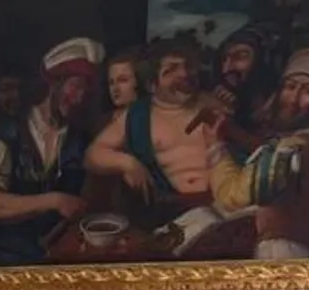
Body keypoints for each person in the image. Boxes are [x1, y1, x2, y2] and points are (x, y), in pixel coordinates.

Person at [203, 47, 309, 260]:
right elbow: (267, 150)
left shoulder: (292, 149)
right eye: (290, 87)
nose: (293, 99)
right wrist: (231, 130)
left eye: (308, 92)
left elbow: (232, 197)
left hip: (285, 252)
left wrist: (214, 146)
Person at [0, 37, 102, 266]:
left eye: (85, 92)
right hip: (3, 258)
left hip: (53, 257)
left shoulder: (80, 142)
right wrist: (54, 200)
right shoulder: (6, 133)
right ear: (55, 83)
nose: (78, 99)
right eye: (75, 87)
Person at [86, 38, 222, 208]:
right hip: (173, 210)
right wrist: (128, 163)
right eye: (170, 70)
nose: (184, 74)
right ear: (152, 85)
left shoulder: (211, 103)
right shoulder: (138, 115)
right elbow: (93, 155)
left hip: (223, 204)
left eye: (187, 66)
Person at [104, 47, 144, 116]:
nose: (115, 88)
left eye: (122, 80)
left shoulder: (152, 117)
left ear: (137, 81)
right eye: (111, 83)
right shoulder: (105, 121)